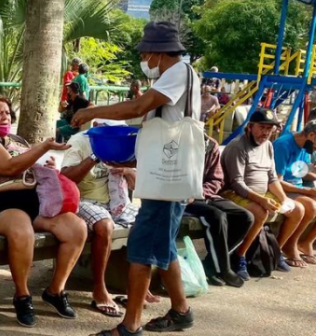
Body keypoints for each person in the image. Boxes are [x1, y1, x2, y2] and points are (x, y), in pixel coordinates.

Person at [72, 21, 199, 335]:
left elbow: (140, 105)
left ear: (157, 52)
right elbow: (156, 126)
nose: (144, 60)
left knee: (142, 248)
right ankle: (181, 311)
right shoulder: (179, 75)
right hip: (167, 176)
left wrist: (93, 111)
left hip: (165, 182)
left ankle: (130, 326)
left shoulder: (177, 73)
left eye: (145, 53)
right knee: (164, 246)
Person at [0, 95, 87, 327]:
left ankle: (55, 290)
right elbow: (8, 166)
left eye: (7, 113)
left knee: (76, 227)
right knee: (22, 229)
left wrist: (49, 164)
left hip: (35, 203)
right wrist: (43, 146)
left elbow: (30, 164)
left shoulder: (16, 140)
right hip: (0, 205)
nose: (5, 117)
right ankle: (22, 296)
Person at [62, 119, 160, 317]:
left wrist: (128, 171)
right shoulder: (79, 142)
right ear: (98, 127)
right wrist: (95, 156)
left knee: (151, 219)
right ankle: (99, 288)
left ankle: (136, 284)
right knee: (105, 225)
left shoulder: (123, 143)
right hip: (83, 200)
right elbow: (66, 178)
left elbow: (136, 182)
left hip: (115, 202)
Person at [221, 108, 304, 280]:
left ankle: (275, 251)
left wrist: (284, 199)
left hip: (261, 192)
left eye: (269, 128)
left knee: (298, 209)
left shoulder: (268, 146)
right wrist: (263, 200)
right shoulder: (238, 146)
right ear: (250, 126)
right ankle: (239, 256)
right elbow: (237, 184)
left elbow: (272, 178)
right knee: (261, 212)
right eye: (262, 127)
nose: (265, 132)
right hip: (232, 193)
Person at [185, 134, 253, 287]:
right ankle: (223, 268)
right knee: (216, 216)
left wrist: (200, 192)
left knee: (245, 217)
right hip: (182, 199)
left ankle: (211, 263)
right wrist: (188, 194)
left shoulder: (210, 144)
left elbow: (216, 179)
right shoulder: (176, 142)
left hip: (204, 194)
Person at [272, 121, 316, 265]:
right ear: (311, 135)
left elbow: (300, 172)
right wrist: (306, 191)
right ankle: (287, 245)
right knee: (311, 206)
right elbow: (276, 181)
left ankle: (305, 242)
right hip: (281, 189)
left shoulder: (306, 147)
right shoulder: (283, 145)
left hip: (296, 187)